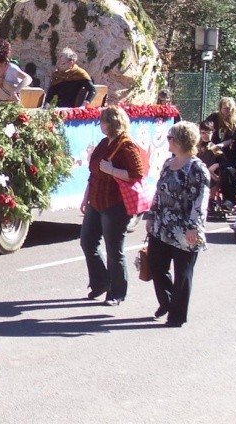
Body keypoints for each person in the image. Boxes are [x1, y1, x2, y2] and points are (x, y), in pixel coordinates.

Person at [79, 105, 144, 306]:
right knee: (88, 242)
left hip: (115, 204)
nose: (100, 124)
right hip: (96, 201)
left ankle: (117, 292)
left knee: (114, 249)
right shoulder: (103, 143)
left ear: (112, 123)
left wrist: (113, 170)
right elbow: (93, 172)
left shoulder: (126, 145)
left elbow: (137, 174)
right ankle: (100, 283)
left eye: (103, 121)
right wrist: (85, 197)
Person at [146, 121, 209, 327]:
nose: (168, 141)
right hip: (162, 225)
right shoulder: (167, 163)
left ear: (181, 140)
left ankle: (177, 316)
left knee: (182, 274)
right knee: (156, 266)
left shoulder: (197, 168)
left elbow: (201, 199)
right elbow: (159, 191)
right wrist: (151, 217)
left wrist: (194, 226)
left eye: (171, 138)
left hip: (185, 228)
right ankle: (168, 302)